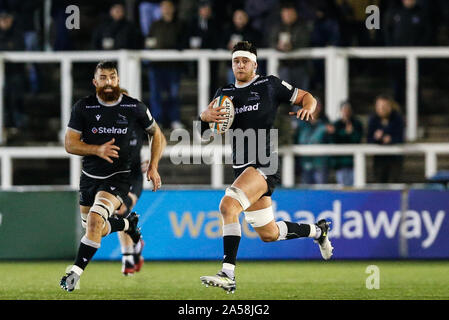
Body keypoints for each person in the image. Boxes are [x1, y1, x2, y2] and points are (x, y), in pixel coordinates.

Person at [198, 41, 333, 293]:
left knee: (228, 205)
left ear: (254, 64)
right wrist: (203, 118)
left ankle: (228, 273)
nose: (240, 65)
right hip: (242, 167)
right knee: (269, 233)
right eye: (236, 61)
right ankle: (318, 231)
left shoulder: (269, 84)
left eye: (245, 61)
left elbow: (306, 96)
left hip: (264, 163)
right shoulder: (224, 93)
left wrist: (309, 107)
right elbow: (204, 133)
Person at [60, 61, 165, 292]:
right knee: (93, 228)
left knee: (97, 220)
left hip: (119, 177)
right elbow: (69, 143)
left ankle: (74, 273)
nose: (108, 82)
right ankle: (128, 224)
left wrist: (154, 166)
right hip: (89, 177)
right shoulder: (83, 107)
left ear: (118, 80)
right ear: (95, 82)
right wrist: (97, 150)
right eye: (103, 78)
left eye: (112, 77)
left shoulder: (134, 107)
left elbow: (157, 135)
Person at [115, 88, 167, 276]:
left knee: (121, 209)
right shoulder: (103, 122)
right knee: (116, 214)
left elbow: (160, 138)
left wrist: (153, 163)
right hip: (112, 178)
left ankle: (127, 257)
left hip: (133, 177)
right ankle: (136, 243)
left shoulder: (137, 118)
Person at [145, 0, 185, 130]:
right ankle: (158, 120)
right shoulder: (155, 25)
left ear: (173, 8)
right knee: (156, 94)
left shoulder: (180, 24)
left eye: (169, 7)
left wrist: (170, 48)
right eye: (164, 7)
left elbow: (183, 43)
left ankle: (174, 119)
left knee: (174, 94)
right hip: (157, 65)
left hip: (174, 65)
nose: (166, 9)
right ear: (160, 9)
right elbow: (149, 42)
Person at [367, 94, 405, 183]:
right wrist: (376, 138)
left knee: (394, 184)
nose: (381, 109)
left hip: (395, 159)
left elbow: (401, 138)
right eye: (379, 106)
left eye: (383, 106)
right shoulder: (373, 119)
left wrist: (391, 139)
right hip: (379, 160)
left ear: (389, 106)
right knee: (380, 184)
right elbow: (369, 139)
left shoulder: (398, 119)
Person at [296, 99, 333, 184]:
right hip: (306, 164)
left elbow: (331, 141)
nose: (315, 109)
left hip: (320, 163)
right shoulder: (302, 123)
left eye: (318, 106)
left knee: (321, 190)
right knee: (306, 191)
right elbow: (301, 140)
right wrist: (323, 129)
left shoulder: (325, 122)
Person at [331, 101, 363, 186]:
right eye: (344, 110)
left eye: (348, 110)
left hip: (354, 162)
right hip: (341, 163)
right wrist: (345, 133)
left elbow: (357, 139)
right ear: (341, 111)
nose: (346, 112)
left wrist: (351, 133)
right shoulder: (336, 124)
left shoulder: (357, 124)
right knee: (342, 187)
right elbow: (334, 140)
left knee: (354, 187)